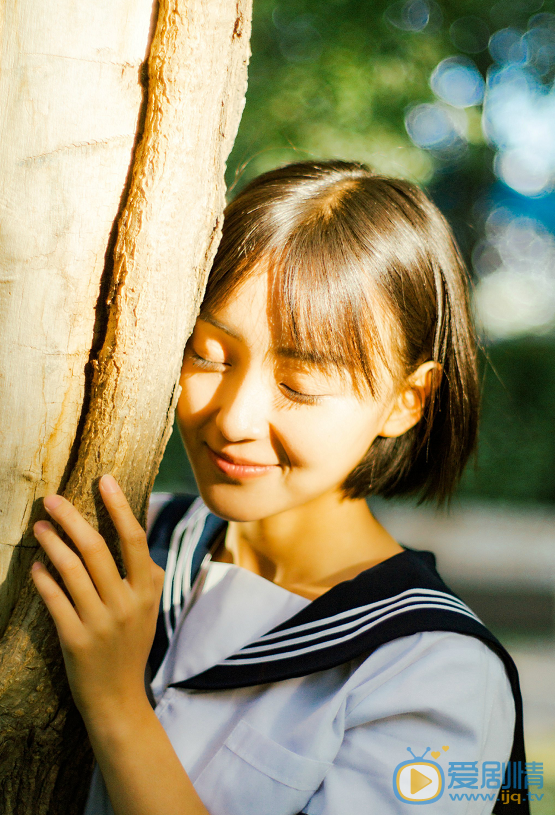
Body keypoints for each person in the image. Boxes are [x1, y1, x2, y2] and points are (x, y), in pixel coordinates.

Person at [31, 161, 527, 815]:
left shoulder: (437, 674)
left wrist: (119, 705)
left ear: (407, 400)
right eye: (207, 352)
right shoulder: (124, 539)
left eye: (300, 384)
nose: (232, 418)